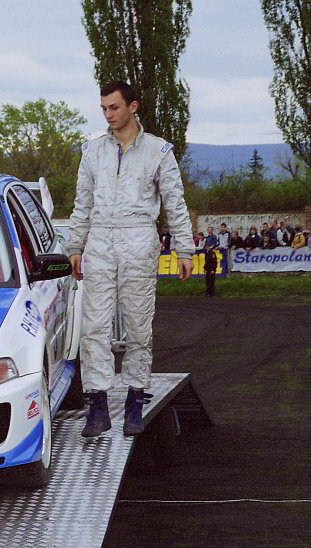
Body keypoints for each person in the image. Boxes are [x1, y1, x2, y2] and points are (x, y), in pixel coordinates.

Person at [67, 80, 194, 438]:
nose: (108, 115)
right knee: (94, 327)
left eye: (114, 107)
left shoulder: (158, 151)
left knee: (138, 325)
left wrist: (184, 249)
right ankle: (97, 405)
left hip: (139, 238)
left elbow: (175, 203)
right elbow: (82, 203)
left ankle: (135, 400)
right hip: (100, 240)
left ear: (132, 106)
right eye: (104, 108)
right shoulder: (92, 151)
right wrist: (75, 245)